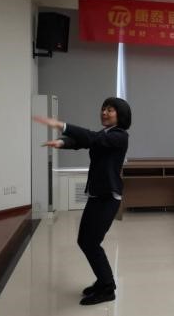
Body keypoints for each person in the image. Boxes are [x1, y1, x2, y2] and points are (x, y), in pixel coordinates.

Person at [33, 97, 131, 305]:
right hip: (96, 194)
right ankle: (103, 281)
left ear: (120, 115)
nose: (104, 112)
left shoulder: (120, 136)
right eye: (103, 108)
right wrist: (63, 142)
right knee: (84, 240)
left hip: (108, 197)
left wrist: (62, 125)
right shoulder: (105, 133)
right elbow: (85, 141)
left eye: (110, 110)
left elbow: (91, 138)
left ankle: (108, 288)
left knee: (91, 242)